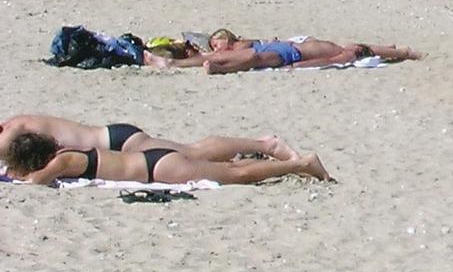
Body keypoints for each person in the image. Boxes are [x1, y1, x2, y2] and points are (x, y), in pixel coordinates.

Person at [4, 128, 331, 187]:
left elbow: (36, 181)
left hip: (157, 168)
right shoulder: (65, 154)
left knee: (236, 175)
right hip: (151, 159)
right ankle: (281, 159)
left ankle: (301, 163)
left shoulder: (62, 162)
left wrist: (15, 175)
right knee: (229, 168)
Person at [1, 114, 300, 163]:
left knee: (194, 152)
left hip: (119, 143)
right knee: (193, 153)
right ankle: (254, 150)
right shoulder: (17, 123)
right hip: (115, 139)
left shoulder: (15, 129)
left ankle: (265, 144)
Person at [174, 30, 422, 74]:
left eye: (217, 42)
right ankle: (397, 51)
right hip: (289, 53)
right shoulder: (241, 46)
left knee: (353, 49)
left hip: (294, 53)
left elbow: (328, 59)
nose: (215, 47)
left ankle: (402, 53)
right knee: (253, 59)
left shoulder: (244, 44)